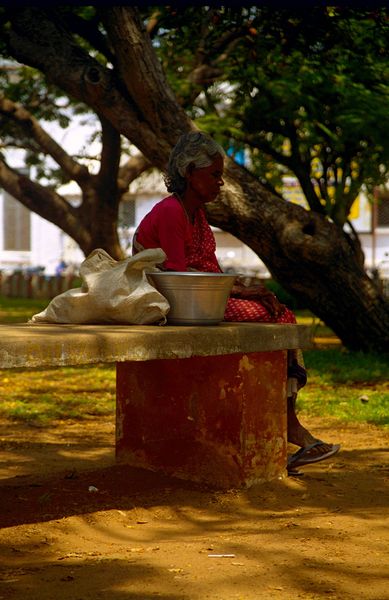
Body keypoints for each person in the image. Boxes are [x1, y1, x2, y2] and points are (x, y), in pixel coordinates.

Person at [133, 130, 340, 475]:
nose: (220, 183)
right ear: (189, 173)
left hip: (198, 301)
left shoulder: (196, 214)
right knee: (275, 316)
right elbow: (178, 279)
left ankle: (285, 424)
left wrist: (243, 287)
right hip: (178, 306)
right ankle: (290, 426)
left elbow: (208, 270)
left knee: (279, 312)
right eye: (214, 175)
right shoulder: (171, 213)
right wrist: (240, 292)